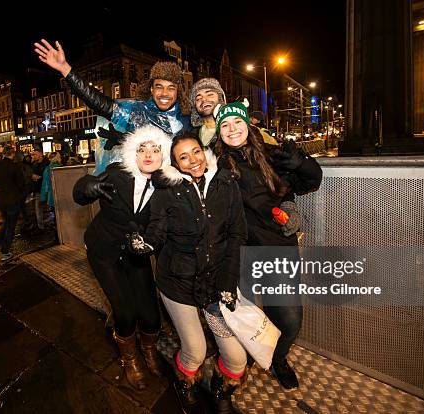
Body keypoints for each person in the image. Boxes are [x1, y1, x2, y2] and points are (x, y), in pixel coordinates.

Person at [134, 134, 248, 413]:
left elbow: (237, 234)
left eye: (195, 152)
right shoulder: (167, 190)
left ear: (204, 152)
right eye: (183, 157)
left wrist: (228, 282)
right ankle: (185, 381)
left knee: (236, 359)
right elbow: (157, 230)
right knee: (195, 350)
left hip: (216, 285)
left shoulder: (225, 183)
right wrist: (146, 244)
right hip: (178, 283)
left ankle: (222, 387)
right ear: (175, 164)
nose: (192, 160)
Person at [213, 100, 323, 390]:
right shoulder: (216, 163)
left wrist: (300, 162)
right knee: (242, 319)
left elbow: (312, 180)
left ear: (248, 124)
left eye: (237, 122)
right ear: (219, 132)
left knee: (289, 320)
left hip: (276, 248)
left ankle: (279, 359)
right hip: (237, 254)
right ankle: (245, 359)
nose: (232, 129)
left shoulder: (271, 154)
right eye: (225, 125)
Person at [72, 125, 178, 391]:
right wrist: (88, 186)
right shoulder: (118, 174)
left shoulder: (165, 186)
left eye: (156, 149)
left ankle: (150, 352)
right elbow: (81, 190)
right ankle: (129, 359)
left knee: (152, 315)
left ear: (163, 154)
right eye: (142, 149)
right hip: (103, 250)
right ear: (134, 152)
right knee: (125, 313)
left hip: (136, 252)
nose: (149, 155)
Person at [33, 39, 191, 172]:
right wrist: (65, 69)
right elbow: (99, 103)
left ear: (178, 92)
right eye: (159, 87)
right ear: (151, 89)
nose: (164, 93)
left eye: (171, 88)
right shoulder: (137, 113)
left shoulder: (186, 120)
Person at [0, 146, 25, 261]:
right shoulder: (15, 167)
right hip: (13, 199)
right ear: (12, 154)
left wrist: (0, 185)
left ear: (3, 154)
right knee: (11, 225)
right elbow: (21, 183)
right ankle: (5, 251)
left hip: (0, 199)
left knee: (6, 221)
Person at [189, 78, 226, 147]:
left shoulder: (233, 129)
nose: (204, 99)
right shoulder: (191, 135)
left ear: (220, 98)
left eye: (209, 94)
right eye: (198, 98)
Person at [31, 149, 49, 230]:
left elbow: (48, 175)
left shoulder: (47, 163)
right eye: (33, 155)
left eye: (35, 154)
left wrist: (40, 177)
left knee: (51, 206)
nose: (33, 156)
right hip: (38, 189)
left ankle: (56, 223)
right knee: (38, 208)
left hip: (46, 188)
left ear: (41, 154)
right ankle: (40, 226)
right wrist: (32, 176)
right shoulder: (34, 164)